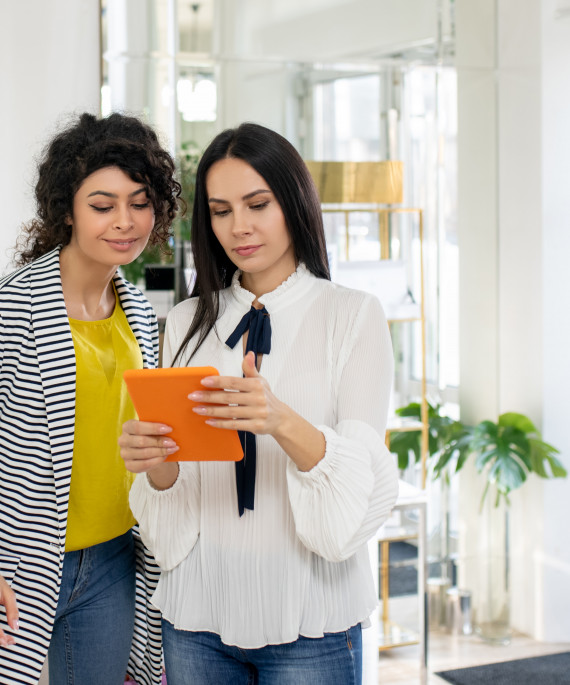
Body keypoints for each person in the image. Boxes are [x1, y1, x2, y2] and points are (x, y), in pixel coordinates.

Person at [120, 122, 399, 685]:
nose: (239, 227)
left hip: (312, 619)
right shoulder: (183, 323)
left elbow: (360, 496)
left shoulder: (353, 315)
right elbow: (180, 499)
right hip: (198, 613)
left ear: (293, 202)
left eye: (257, 204)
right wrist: (158, 466)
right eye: (221, 211)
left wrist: (279, 419)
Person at [0, 111, 181, 685]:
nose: (124, 222)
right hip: (20, 565)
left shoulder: (145, 322)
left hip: (112, 563)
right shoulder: (15, 308)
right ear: (67, 210)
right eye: (102, 206)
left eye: (140, 202)